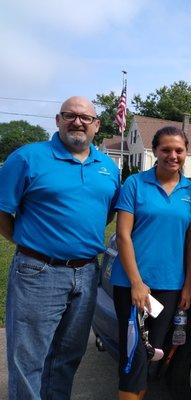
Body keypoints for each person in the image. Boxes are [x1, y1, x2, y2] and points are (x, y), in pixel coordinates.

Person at [0, 96, 120, 399]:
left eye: (85, 117)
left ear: (96, 125)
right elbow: (3, 210)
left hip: (87, 273)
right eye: (70, 115)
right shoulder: (28, 158)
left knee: (67, 357)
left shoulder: (108, 167)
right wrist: (27, 243)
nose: (77, 121)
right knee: (28, 359)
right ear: (57, 120)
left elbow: (106, 213)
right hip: (38, 271)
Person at [110, 126, 191, 400]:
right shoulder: (135, 184)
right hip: (133, 286)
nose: (173, 155)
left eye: (179, 150)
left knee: (152, 354)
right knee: (132, 356)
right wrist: (137, 284)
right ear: (155, 151)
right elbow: (122, 235)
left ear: (185, 152)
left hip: (170, 287)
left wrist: (187, 285)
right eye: (166, 150)